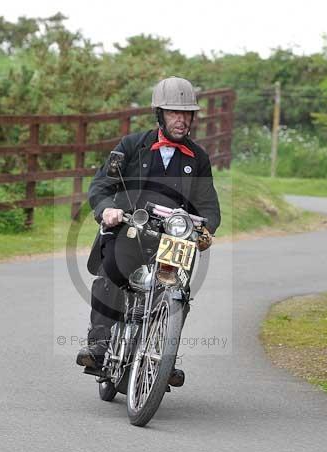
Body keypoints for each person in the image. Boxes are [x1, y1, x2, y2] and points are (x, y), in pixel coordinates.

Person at [76, 77, 221, 384]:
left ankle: (162, 357)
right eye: (173, 113)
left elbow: (208, 206)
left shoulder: (199, 159)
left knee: (177, 293)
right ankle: (99, 344)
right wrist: (107, 210)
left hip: (172, 239)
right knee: (111, 274)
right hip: (131, 229)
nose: (181, 120)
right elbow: (101, 185)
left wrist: (207, 228)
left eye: (187, 114)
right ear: (159, 114)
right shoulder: (131, 146)